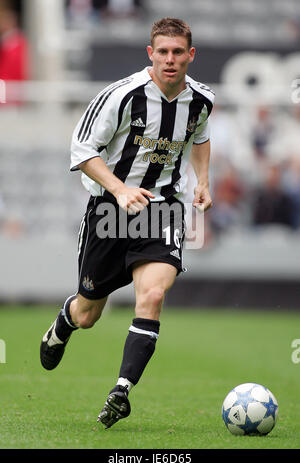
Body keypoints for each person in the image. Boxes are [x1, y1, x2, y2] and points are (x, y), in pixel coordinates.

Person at [40, 17, 214, 429]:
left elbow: (201, 136)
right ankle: (63, 322)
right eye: (162, 52)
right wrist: (119, 189)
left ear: (190, 55)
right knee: (88, 314)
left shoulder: (201, 100)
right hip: (109, 211)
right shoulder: (121, 96)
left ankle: (121, 390)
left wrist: (203, 181)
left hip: (162, 209)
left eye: (178, 52)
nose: (170, 60)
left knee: (152, 294)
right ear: (150, 54)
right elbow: (82, 149)